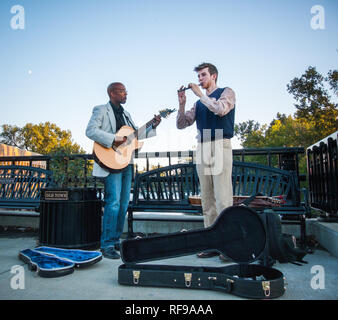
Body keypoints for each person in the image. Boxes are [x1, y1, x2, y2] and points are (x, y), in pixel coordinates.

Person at [86, 82, 161, 259]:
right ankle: (106, 244)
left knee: (123, 203)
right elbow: (90, 131)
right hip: (110, 161)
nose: (126, 94)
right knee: (113, 203)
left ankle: (115, 240)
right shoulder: (101, 109)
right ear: (112, 93)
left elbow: (135, 136)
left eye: (126, 91)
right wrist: (114, 139)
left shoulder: (126, 115)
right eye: (122, 91)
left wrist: (153, 125)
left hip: (126, 162)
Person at [176, 63, 236, 261]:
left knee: (222, 198)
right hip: (202, 146)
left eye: (203, 75)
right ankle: (212, 243)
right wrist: (182, 103)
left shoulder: (226, 92)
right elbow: (182, 124)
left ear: (214, 76)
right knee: (207, 199)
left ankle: (228, 245)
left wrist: (200, 95)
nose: (200, 79)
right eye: (199, 76)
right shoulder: (198, 103)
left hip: (219, 142)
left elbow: (220, 110)